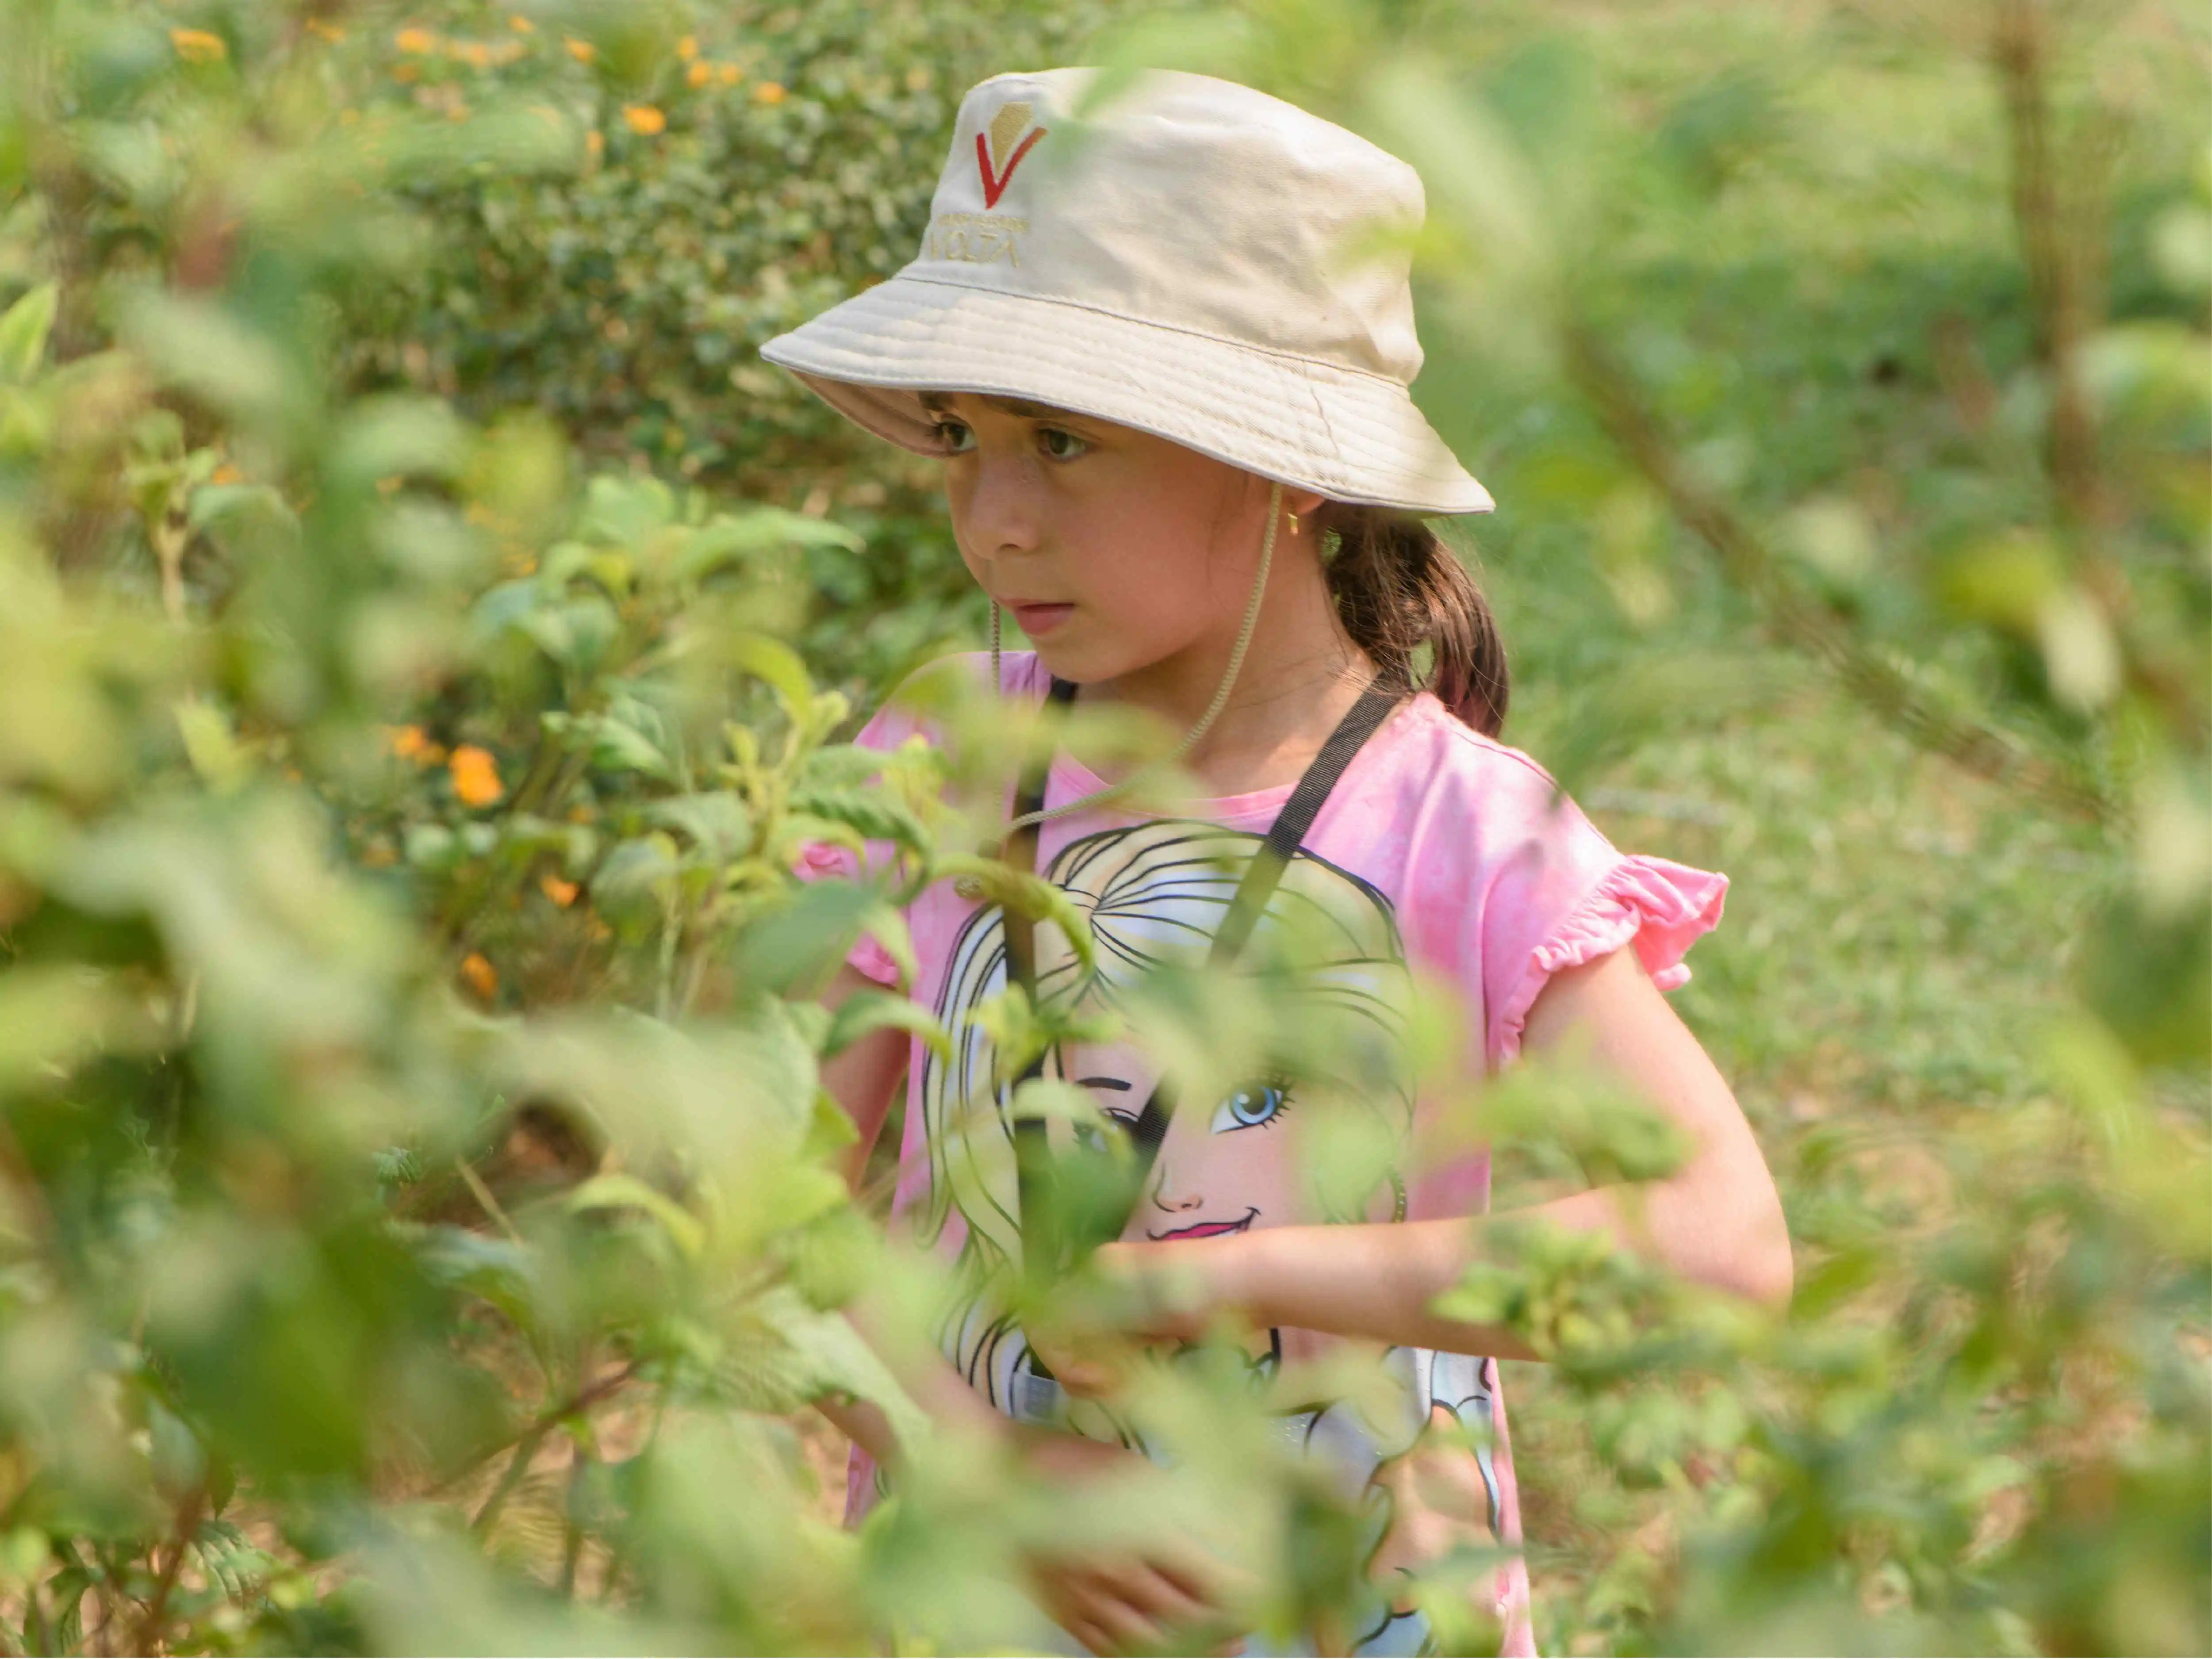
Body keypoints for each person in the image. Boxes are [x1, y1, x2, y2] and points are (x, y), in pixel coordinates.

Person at [764, 66, 1792, 1657]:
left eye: (1063, 439)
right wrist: (973, 1466)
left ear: (1287, 461)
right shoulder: (951, 754)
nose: (993, 519)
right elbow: (769, 1204)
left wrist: (1218, 1279)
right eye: (961, 434)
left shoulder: (1465, 829)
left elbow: (1717, 1248)